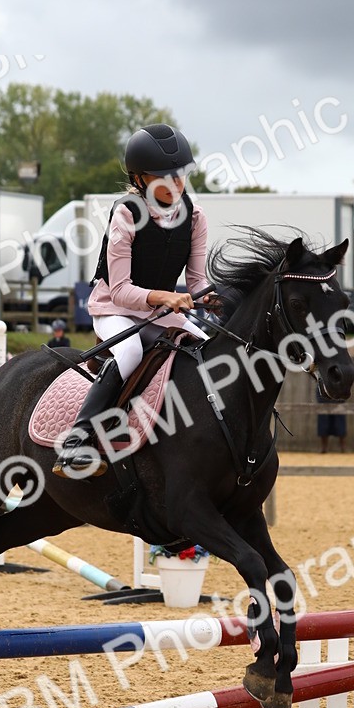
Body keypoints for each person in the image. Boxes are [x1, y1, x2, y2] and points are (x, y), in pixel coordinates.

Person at [53, 123, 214, 477]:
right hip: (114, 307)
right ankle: (76, 442)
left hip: (161, 310)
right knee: (130, 352)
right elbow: (122, 290)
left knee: (208, 347)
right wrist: (167, 298)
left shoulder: (196, 217)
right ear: (140, 179)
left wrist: (211, 298)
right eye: (163, 177)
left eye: (179, 176)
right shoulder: (126, 214)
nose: (175, 184)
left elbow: (197, 282)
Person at [316, 383, 347, 454]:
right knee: (323, 422)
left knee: (340, 422)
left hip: (338, 388)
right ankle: (324, 447)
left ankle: (343, 447)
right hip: (323, 388)